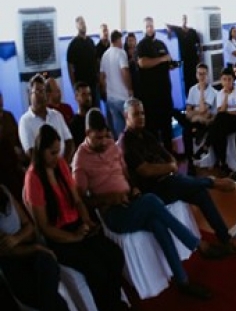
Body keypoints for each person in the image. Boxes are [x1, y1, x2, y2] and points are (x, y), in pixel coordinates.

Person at [72, 109, 214, 300]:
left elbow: (125, 175)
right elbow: (81, 200)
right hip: (113, 213)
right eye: (97, 138)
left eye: (105, 136)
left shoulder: (111, 146)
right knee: (151, 201)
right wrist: (108, 199)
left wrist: (132, 188)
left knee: (158, 223)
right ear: (87, 134)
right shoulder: (80, 161)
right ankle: (195, 244)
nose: (102, 141)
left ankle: (183, 281)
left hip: (129, 202)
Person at [0, 182, 107, 311]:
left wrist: (18, 239)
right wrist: (31, 245)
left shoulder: (4, 190)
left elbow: (29, 227)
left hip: (34, 257)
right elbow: (6, 251)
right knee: (58, 303)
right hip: (15, 270)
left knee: (47, 260)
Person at [23, 124, 126, 311]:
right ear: (40, 151)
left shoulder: (60, 165)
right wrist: (74, 237)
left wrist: (87, 221)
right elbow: (44, 227)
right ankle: (107, 309)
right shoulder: (33, 178)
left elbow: (77, 200)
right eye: (52, 153)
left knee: (114, 254)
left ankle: (113, 300)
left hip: (77, 224)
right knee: (95, 266)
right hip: (59, 236)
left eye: (58, 151)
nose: (56, 156)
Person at [120, 99, 236, 257]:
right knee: (180, 182)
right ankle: (212, 182)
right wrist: (169, 167)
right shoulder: (127, 142)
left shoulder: (146, 135)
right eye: (136, 114)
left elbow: (167, 156)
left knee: (200, 193)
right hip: (153, 190)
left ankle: (226, 240)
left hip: (167, 181)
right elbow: (145, 171)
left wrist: (170, 166)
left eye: (142, 113)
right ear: (126, 115)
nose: (141, 117)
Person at [134, 17, 177, 154]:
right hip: (150, 96)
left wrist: (171, 64)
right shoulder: (141, 46)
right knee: (152, 129)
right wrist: (162, 59)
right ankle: (155, 156)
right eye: (147, 26)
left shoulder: (161, 44)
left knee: (167, 127)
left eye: (151, 26)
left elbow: (168, 61)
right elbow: (142, 63)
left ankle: (169, 154)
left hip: (165, 93)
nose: (150, 28)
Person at [19, 76, 75, 164]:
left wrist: (63, 164)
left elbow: (69, 141)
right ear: (29, 94)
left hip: (63, 166)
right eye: (38, 91)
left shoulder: (57, 115)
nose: (42, 95)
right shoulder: (25, 121)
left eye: (44, 91)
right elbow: (30, 152)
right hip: (42, 171)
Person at [208, 67, 236, 174]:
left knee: (219, 119)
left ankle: (207, 144)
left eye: (229, 79)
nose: (227, 82)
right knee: (220, 132)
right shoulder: (220, 94)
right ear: (221, 81)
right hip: (225, 122)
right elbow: (220, 110)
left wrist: (226, 112)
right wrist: (226, 96)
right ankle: (224, 164)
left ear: (233, 79)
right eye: (224, 79)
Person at [99, 30, 132, 137]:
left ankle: (120, 152)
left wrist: (105, 92)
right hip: (123, 97)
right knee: (130, 129)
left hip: (111, 98)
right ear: (118, 40)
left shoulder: (105, 55)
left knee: (119, 132)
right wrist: (130, 89)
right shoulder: (121, 53)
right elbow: (125, 72)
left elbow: (102, 77)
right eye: (121, 40)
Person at [182, 64, 218, 163]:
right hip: (198, 119)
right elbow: (188, 111)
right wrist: (197, 116)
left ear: (208, 75)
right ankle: (189, 160)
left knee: (203, 120)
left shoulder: (212, 91)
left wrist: (202, 90)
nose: (201, 76)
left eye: (204, 74)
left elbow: (203, 109)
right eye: (199, 74)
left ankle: (200, 136)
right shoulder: (192, 89)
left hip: (207, 121)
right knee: (186, 131)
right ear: (196, 75)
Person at [66, 16, 100, 106]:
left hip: (93, 84)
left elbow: (96, 61)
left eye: (84, 23)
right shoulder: (73, 44)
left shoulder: (91, 42)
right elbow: (70, 67)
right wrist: (74, 86)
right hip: (81, 85)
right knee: (85, 111)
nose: (83, 25)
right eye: (81, 24)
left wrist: (98, 77)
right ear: (76, 26)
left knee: (96, 109)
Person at [165, 16, 202, 91]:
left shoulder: (192, 31)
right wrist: (168, 30)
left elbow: (199, 44)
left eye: (185, 19)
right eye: (182, 19)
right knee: (187, 80)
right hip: (184, 61)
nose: (184, 20)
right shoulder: (178, 30)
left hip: (194, 59)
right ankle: (189, 99)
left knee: (196, 78)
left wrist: (199, 56)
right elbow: (168, 29)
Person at [67, 82, 95, 146]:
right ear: (76, 97)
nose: (88, 98)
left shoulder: (96, 118)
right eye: (84, 94)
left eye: (89, 94)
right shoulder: (73, 124)